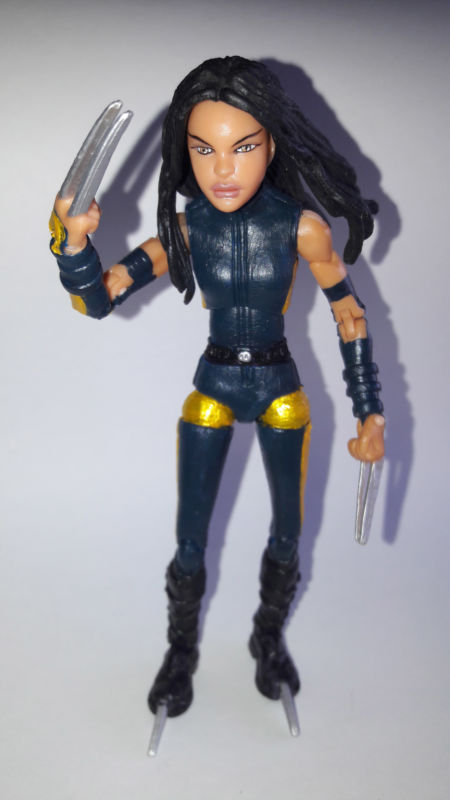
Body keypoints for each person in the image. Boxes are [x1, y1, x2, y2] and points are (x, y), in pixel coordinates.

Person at [50, 56, 385, 721]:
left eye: (243, 147)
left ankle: (267, 638)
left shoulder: (302, 227)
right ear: (186, 152)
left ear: (272, 145)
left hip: (280, 387)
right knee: (189, 536)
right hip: (213, 385)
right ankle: (180, 651)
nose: (222, 169)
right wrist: (72, 246)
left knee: (288, 533)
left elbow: (350, 314)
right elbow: (99, 300)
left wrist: (369, 411)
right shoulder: (186, 229)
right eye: (203, 150)